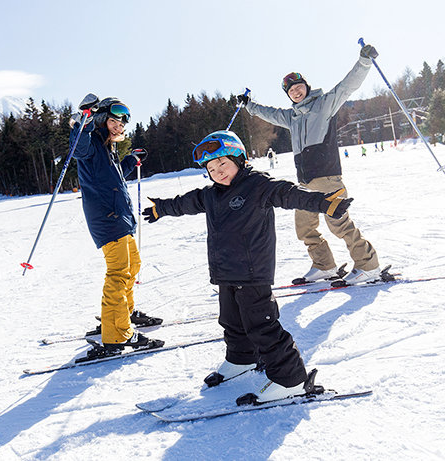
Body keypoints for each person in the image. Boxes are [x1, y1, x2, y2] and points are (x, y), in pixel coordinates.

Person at [141, 130, 352, 404]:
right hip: (226, 271)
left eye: (223, 164)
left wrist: (323, 202)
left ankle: (292, 380)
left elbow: (289, 194)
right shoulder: (212, 194)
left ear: (239, 159)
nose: (218, 172)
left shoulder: (257, 186)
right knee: (231, 320)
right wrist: (162, 208)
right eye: (211, 168)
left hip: (252, 272)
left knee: (261, 326)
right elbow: (187, 202)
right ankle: (241, 358)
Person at [236, 43, 381, 285]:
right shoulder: (291, 117)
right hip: (304, 182)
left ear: (307, 87)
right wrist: (249, 105)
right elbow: (269, 113)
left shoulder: (324, 104)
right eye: (291, 90)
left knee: (339, 224)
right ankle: (325, 266)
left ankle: (369, 266)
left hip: (327, 177)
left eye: (299, 86)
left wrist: (364, 62)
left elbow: (347, 86)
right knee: (304, 227)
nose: (296, 92)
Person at [70, 94, 162, 357]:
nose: (120, 126)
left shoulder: (106, 148)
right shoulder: (90, 143)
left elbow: (116, 178)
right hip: (107, 218)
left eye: (123, 123)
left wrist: (131, 160)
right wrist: (84, 122)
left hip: (120, 218)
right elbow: (78, 148)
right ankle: (119, 333)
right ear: (101, 118)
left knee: (132, 266)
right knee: (119, 272)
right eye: (114, 120)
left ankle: (125, 313)